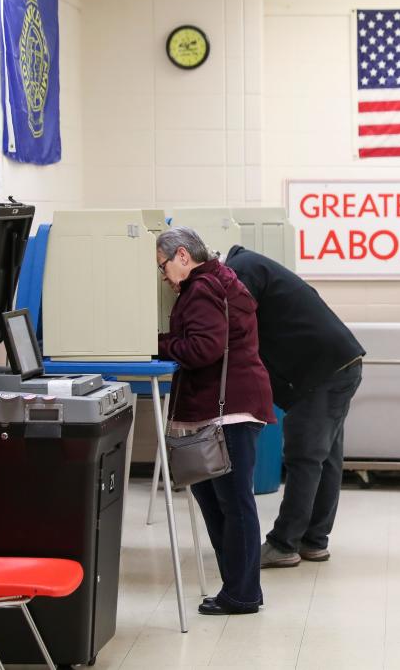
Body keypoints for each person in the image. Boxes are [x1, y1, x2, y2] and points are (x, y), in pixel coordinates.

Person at [156, 227, 275, 615]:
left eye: (164, 266)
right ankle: (240, 588)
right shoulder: (220, 279)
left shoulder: (203, 288)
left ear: (183, 256)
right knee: (218, 500)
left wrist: (157, 343)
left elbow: (204, 348)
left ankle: (240, 594)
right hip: (231, 406)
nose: (164, 276)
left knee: (233, 503)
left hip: (229, 411)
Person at [223, 245, 364, 567]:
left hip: (321, 373)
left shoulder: (242, 270)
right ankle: (313, 540)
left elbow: (234, 329)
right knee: (323, 459)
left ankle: (284, 544)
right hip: (335, 365)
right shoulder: (254, 264)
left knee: (304, 458)